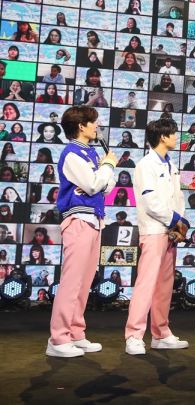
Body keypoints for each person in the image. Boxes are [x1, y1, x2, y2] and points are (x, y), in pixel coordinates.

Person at [46, 106, 118, 358]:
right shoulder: (72, 153)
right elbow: (93, 185)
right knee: (71, 282)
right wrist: (107, 166)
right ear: (81, 126)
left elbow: (106, 187)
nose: (97, 126)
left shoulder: (90, 153)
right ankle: (58, 338)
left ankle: (75, 333)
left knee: (84, 282)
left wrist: (106, 169)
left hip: (94, 220)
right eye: (93, 122)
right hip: (78, 220)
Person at [123, 119, 190, 355]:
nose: (176, 137)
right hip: (153, 230)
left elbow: (178, 198)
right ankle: (133, 335)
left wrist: (180, 224)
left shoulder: (170, 164)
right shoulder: (145, 164)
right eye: (173, 133)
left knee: (164, 286)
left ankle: (161, 333)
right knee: (146, 285)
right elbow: (150, 201)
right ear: (163, 137)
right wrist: (175, 220)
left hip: (170, 232)